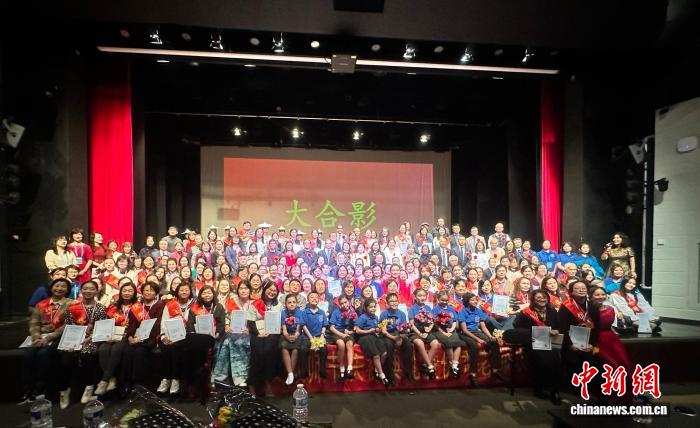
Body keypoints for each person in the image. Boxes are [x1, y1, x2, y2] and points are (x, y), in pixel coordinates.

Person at [20, 278, 71, 404]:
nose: (59, 288)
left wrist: (48, 338)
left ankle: (40, 388)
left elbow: (67, 325)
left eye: (63, 286)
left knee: (43, 354)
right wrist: (37, 337)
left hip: (58, 337)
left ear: (67, 290)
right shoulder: (41, 304)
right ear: (51, 288)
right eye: (57, 286)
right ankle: (28, 388)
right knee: (28, 354)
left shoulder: (71, 304)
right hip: (40, 337)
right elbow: (34, 323)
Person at [509, 289, 563, 405]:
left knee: (556, 359)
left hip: (551, 342)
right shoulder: (526, 312)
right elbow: (517, 326)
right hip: (533, 342)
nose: (542, 299)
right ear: (533, 299)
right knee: (541, 359)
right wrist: (535, 331)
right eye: (538, 297)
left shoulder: (552, 311)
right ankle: (540, 388)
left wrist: (556, 330)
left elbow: (559, 326)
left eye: (544, 297)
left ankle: (555, 390)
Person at [59, 280, 108, 408]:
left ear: (97, 291)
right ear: (81, 290)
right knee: (66, 358)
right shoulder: (73, 308)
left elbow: (102, 329)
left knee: (87, 354)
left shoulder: (101, 308)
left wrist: (89, 338)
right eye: (85, 288)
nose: (88, 291)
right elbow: (69, 326)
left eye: (92, 289)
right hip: (74, 338)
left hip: (92, 339)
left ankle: (89, 386)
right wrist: (72, 342)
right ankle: (64, 390)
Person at [95, 282, 138, 396]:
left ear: (134, 293)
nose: (127, 293)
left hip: (126, 335)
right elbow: (106, 322)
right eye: (124, 290)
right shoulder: (113, 306)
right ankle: (112, 378)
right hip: (111, 335)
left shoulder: (138, 306)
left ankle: (104, 380)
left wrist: (126, 334)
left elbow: (136, 325)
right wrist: (108, 335)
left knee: (116, 349)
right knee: (103, 349)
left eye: (130, 291)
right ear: (120, 292)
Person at [185, 285, 226, 402]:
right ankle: (194, 384)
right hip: (198, 337)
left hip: (214, 336)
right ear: (200, 295)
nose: (207, 295)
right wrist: (193, 333)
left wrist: (218, 333)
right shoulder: (195, 307)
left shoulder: (219, 307)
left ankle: (208, 383)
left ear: (213, 294)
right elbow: (190, 324)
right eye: (204, 293)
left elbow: (221, 323)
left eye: (209, 293)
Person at [122, 281, 164, 394]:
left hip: (151, 338)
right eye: (146, 290)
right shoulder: (136, 306)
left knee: (139, 352)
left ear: (156, 293)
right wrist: (130, 336)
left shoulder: (160, 306)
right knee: (127, 351)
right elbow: (131, 324)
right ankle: (126, 383)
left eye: (151, 290)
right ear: (142, 292)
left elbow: (157, 325)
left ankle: (138, 384)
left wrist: (143, 337)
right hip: (135, 338)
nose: (148, 292)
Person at [457, 292, 503, 386]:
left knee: (493, 343)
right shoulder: (462, 311)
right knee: (474, 346)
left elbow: (483, 327)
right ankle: (473, 374)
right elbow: (464, 330)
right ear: (467, 301)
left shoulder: (478, 310)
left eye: (475, 300)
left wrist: (490, 336)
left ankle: (495, 370)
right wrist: (478, 339)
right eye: (472, 300)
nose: (475, 301)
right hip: (465, 333)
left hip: (476, 331)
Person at [247, 280, 284, 397]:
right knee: (258, 352)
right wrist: (258, 333)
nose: (272, 292)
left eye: (275, 290)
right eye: (270, 290)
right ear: (264, 289)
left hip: (273, 333)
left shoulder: (279, 305)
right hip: (257, 333)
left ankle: (268, 383)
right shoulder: (255, 304)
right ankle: (252, 384)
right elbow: (250, 322)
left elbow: (281, 321)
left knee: (269, 351)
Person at [213, 280, 252, 386]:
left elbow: (259, 319)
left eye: (246, 288)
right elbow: (225, 316)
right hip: (232, 331)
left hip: (249, 332)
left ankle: (241, 376)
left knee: (238, 342)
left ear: (250, 290)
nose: (243, 291)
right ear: (237, 290)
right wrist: (226, 325)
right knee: (226, 342)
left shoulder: (255, 303)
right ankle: (220, 375)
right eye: (241, 288)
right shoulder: (231, 301)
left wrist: (250, 329)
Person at [157, 281, 193, 395]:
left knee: (177, 347)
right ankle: (166, 379)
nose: (184, 292)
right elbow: (164, 322)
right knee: (166, 347)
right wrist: (164, 336)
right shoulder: (170, 304)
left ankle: (175, 379)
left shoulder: (195, 304)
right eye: (181, 290)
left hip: (188, 336)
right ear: (177, 292)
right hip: (170, 335)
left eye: (186, 290)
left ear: (190, 292)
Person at [354, 298, 391, 387]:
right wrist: (368, 331)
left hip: (373, 336)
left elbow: (376, 329)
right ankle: (382, 375)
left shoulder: (376, 317)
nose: (373, 309)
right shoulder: (362, 317)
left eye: (374, 307)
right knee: (376, 355)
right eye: (371, 307)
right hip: (364, 338)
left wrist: (378, 329)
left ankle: (377, 370)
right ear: (366, 308)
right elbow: (357, 330)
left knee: (384, 353)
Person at [432, 291, 466, 377]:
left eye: (446, 300)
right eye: (442, 300)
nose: (444, 302)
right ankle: (452, 365)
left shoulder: (451, 309)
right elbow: (435, 324)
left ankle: (455, 365)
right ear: (438, 299)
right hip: (439, 331)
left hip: (451, 330)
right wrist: (444, 332)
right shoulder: (435, 310)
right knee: (449, 343)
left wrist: (451, 330)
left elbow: (454, 321)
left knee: (459, 344)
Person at [408, 288, 439, 379]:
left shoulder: (428, 308)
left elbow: (432, 321)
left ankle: (425, 365)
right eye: (419, 295)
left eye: (424, 295)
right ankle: (430, 366)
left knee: (435, 343)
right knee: (419, 343)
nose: (422, 297)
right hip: (416, 332)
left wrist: (429, 328)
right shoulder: (412, 309)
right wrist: (420, 333)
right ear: (415, 297)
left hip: (426, 332)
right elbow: (411, 324)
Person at [299, 291, 329, 379]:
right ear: (308, 300)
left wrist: (322, 336)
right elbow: (303, 325)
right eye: (312, 297)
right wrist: (311, 338)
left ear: (319, 300)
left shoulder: (321, 312)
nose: (314, 298)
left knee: (324, 349)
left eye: (316, 297)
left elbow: (324, 325)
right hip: (307, 337)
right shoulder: (305, 312)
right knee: (303, 349)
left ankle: (322, 370)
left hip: (319, 337)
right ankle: (304, 371)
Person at [328, 295, 357, 381]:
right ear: (339, 305)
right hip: (337, 333)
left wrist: (350, 332)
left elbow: (356, 328)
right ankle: (341, 368)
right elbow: (331, 328)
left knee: (349, 344)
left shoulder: (353, 313)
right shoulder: (336, 312)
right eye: (342, 303)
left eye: (345, 302)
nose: (344, 305)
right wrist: (341, 335)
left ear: (349, 302)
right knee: (341, 344)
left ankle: (350, 368)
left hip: (348, 334)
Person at [279, 294, 304, 386]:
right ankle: (290, 373)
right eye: (289, 302)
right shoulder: (283, 313)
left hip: (297, 334)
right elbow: (284, 329)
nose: (292, 304)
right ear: (286, 304)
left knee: (295, 349)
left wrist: (295, 336)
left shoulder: (300, 312)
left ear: (296, 303)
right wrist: (287, 336)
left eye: (294, 302)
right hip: (286, 334)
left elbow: (299, 329)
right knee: (284, 348)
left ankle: (291, 374)